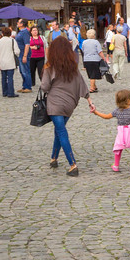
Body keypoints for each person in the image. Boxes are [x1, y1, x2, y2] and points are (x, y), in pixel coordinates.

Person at [39, 35, 93, 177]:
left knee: (61, 132)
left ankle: (72, 164)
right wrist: (89, 102)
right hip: (69, 104)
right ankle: (54, 158)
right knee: (59, 130)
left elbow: (44, 87)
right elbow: (82, 84)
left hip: (55, 104)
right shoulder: (72, 67)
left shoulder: (49, 67)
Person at [89, 89, 130, 176]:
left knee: (118, 149)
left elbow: (106, 116)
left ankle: (116, 165)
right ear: (127, 100)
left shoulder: (117, 111)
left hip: (121, 133)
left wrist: (96, 112)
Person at [0, 27, 21, 98]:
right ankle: (11, 92)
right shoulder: (12, 41)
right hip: (10, 61)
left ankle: (4, 92)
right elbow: (17, 51)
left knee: (3, 77)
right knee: (10, 78)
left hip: (2, 62)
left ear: (2, 33)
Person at [81, 28, 108, 93]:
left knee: (91, 73)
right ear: (94, 35)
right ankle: (91, 88)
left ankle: (94, 87)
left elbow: (83, 50)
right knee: (93, 74)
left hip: (86, 60)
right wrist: (103, 58)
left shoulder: (84, 42)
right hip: (94, 59)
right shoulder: (96, 42)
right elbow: (100, 51)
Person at [15, 19, 33, 93]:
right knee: (22, 71)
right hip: (20, 52)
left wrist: (25, 56)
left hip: (24, 52)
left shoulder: (25, 32)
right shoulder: (20, 32)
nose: (17, 23)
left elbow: (27, 44)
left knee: (25, 70)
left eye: (18, 22)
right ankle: (24, 85)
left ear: (22, 24)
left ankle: (28, 86)